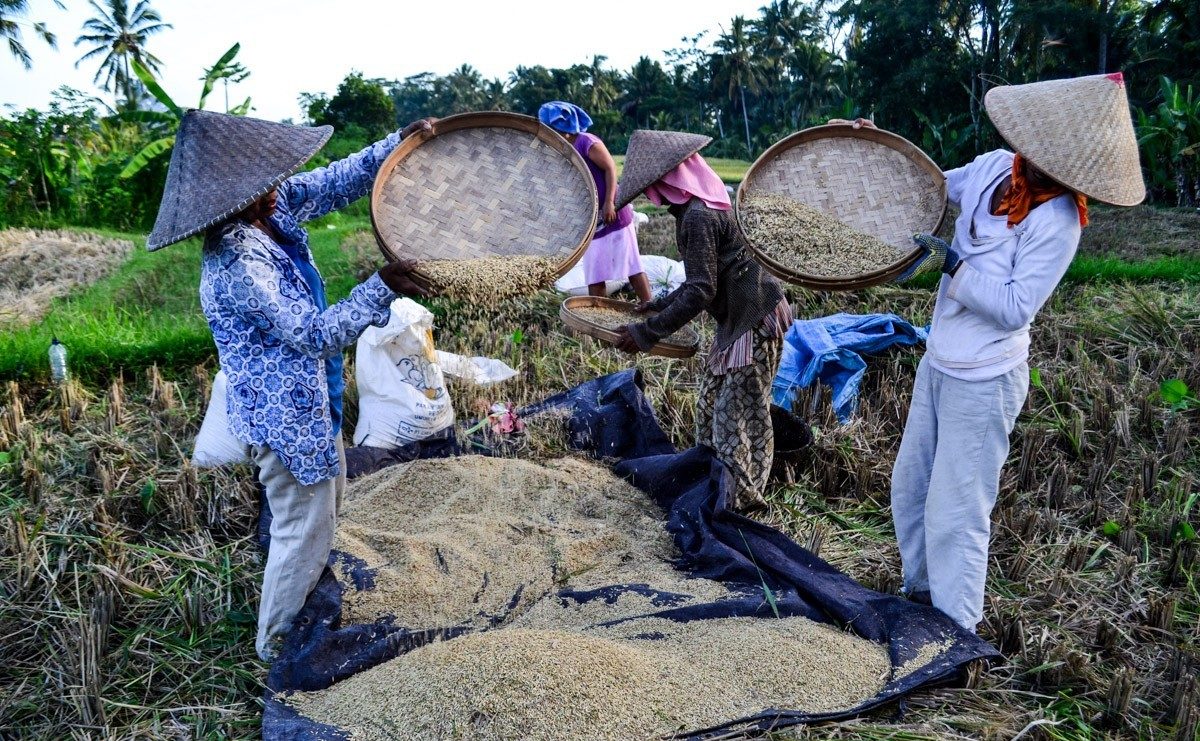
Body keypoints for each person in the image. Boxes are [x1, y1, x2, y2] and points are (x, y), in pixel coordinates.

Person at [145, 109, 436, 660]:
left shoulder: (267, 211)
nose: (278, 191)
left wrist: (397, 144)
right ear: (233, 201)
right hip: (285, 424)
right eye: (265, 188)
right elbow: (312, 333)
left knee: (319, 520)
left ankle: (307, 618)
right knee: (299, 533)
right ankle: (277, 649)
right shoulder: (237, 261)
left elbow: (333, 182)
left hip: (310, 405)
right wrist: (380, 286)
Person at [864, 73, 1145, 632]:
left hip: (986, 377)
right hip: (940, 357)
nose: (1033, 162)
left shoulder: (1059, 220)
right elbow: (937, 187)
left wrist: (954, 267)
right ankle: (919, 595)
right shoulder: (996, 165)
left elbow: (1017, 306)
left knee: (957, 511)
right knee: (910, 485)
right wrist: (880, 149)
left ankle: (956, 631)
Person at [611, 130, 793, 512]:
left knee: (736, 415)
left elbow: (701, 291)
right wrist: (657, 305)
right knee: (710, 405)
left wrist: (645, 333)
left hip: (753, 320)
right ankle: (715, 487)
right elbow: (701, 281)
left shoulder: (697, 216)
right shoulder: (701, 206)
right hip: (737, 320)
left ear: (670, 180)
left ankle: (738, 504)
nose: (651, 195)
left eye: (653, 186)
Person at [538, 101, 653, 303]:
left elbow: (610, 168)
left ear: (563, 128)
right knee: (595, 274)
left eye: (552, 130)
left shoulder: (587, 142)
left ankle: (650, 308)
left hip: (613, 213)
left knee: (632, 267)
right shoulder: (564, 149)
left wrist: (609, 203)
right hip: (592, 220)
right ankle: (598, 320)